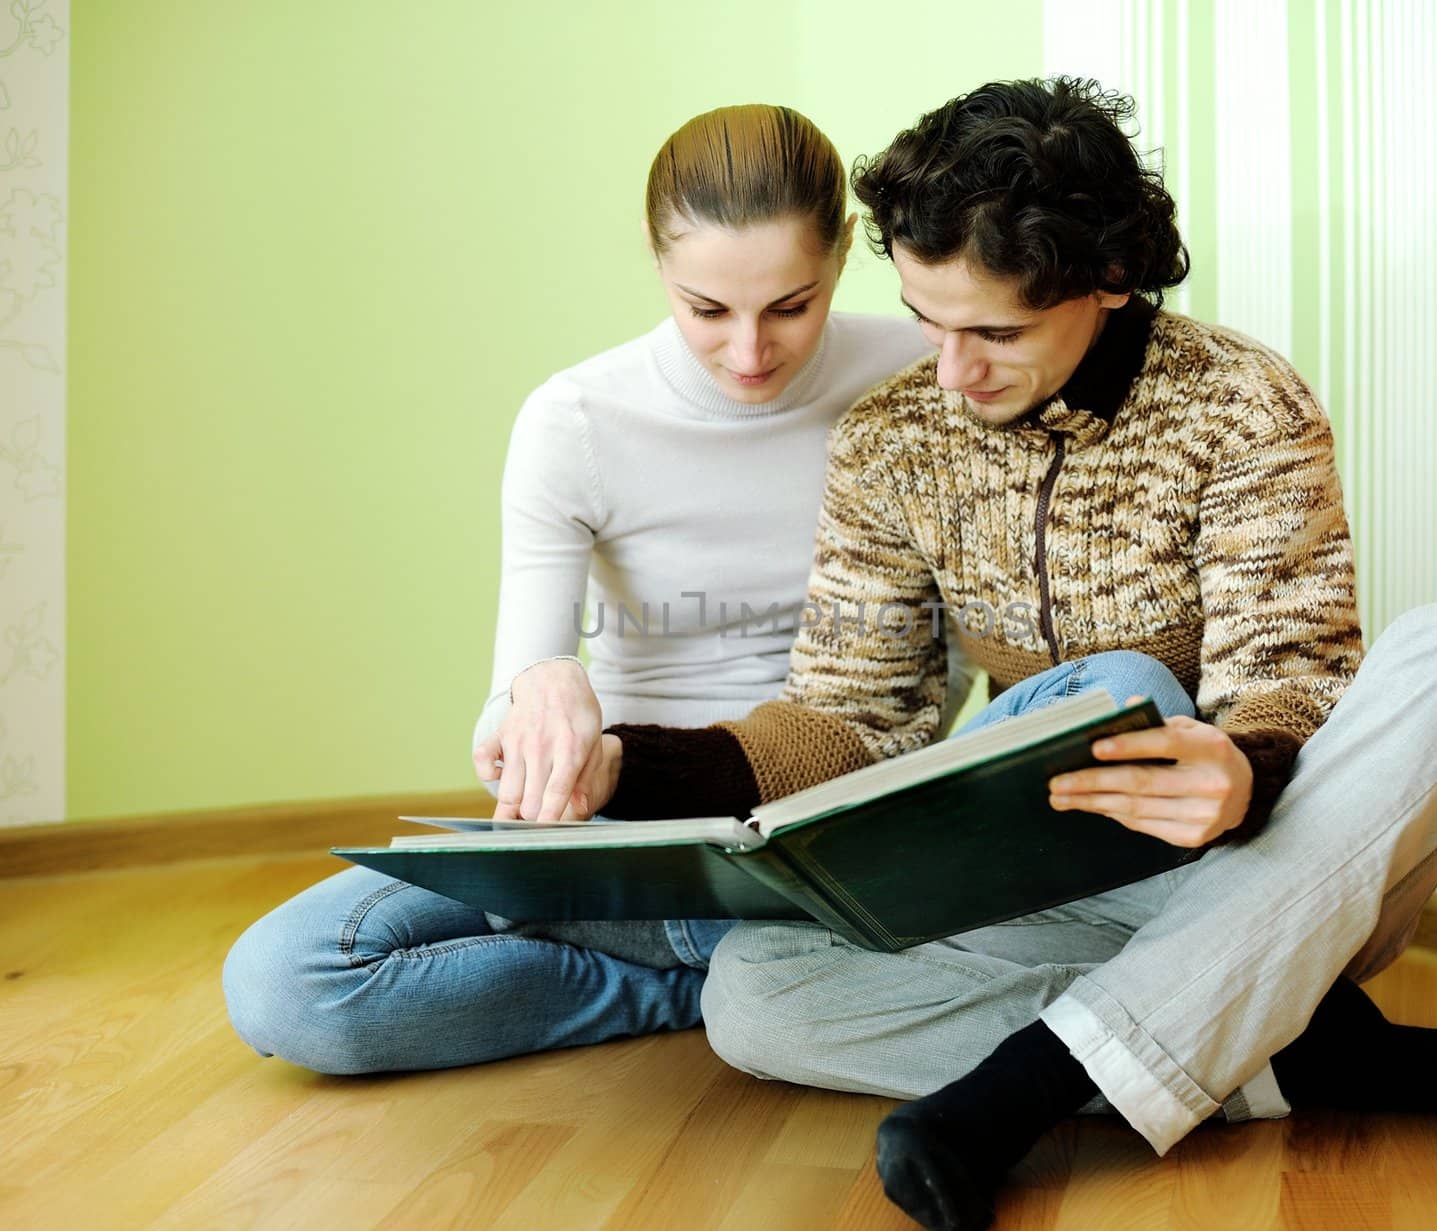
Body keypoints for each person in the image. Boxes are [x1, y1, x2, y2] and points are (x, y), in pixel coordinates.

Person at [567, 79, 1437, 1231]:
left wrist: (1247, 764)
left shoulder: (1241, 404)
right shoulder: (889, 441)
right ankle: (1290, 1050)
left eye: (995, 333)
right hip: (1063, 883)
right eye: (930, 325)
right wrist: (620, 762)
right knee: (752, 995)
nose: (950, 372)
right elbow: (853, 717)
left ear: (1107, 279)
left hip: (1265, 864)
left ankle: (1021, 1091)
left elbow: (1293, 665)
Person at [220, 103, 971, 1075]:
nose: (750, 352)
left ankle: (725, 961)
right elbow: (514, 705)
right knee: (289, 985)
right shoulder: (575, 419)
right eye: (707, 309)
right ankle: (695, 986)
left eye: (791, 304)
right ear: (659, 267)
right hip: (627, 821)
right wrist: (540, 686)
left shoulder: (928, 375)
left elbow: (948, 664)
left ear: (839, 258)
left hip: (828, 827)